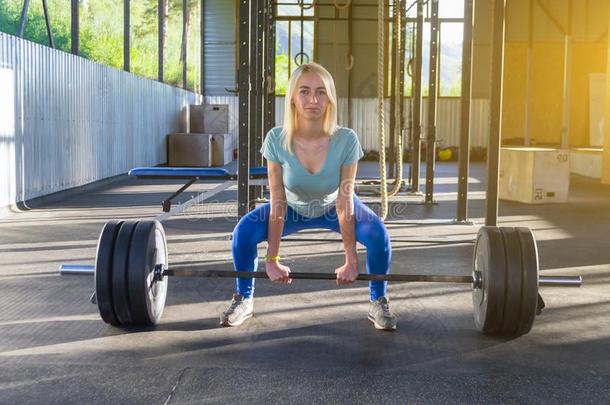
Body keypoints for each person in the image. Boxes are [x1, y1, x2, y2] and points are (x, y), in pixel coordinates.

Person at [220, 62, 397, 331]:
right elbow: (277, 201)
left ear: (329, 99)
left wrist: (351, 260)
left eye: (321, 92)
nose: (313, 99)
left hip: (334, 205)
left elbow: (345, 200)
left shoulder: (346, 140)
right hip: (290, 207)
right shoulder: (276, 139)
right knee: (244, 232)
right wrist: (272, 259)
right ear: (292, 96)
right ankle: (244, 297)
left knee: (377, 234)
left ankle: (378, 299)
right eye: (304, 91)